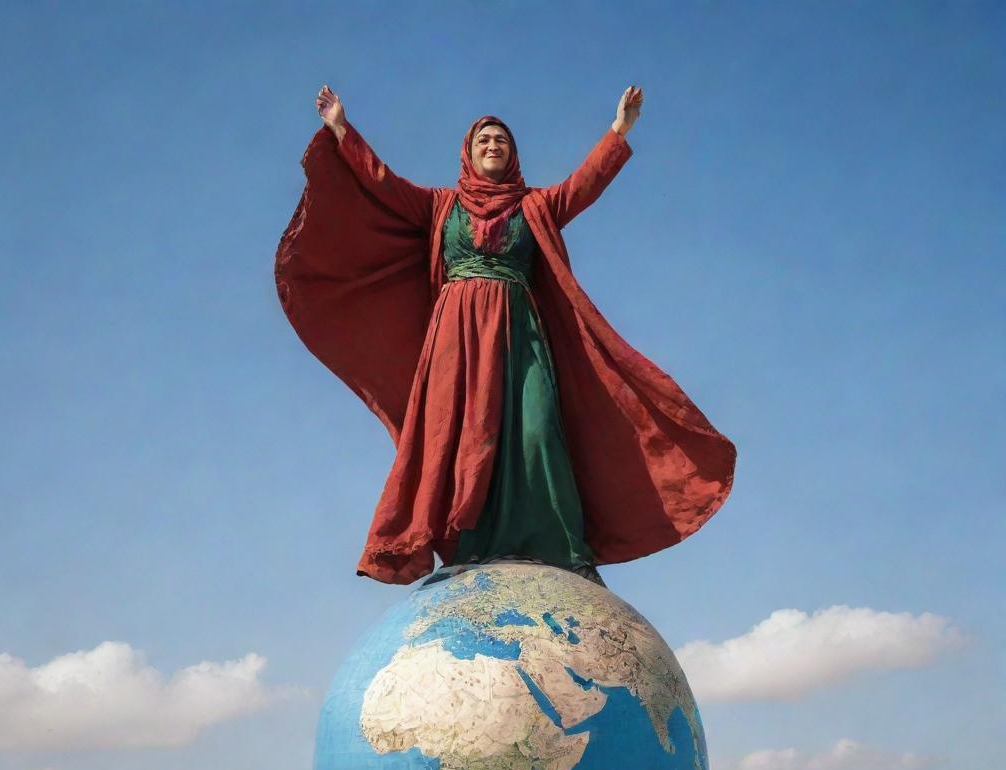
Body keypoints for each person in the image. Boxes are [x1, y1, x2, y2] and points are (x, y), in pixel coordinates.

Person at [275, 85, 736, 586]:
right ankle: (466, 545)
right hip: (457, 333)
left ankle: (562, 546)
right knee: (466, 435)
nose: (493, 146)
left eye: (501, 141)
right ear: (469, 154)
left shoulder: (534, 206)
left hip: (520, 331)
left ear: (513, 155)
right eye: (484, 141)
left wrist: (619, 128)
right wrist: (342, 127)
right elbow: (381, 182)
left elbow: (584, 184)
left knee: (536, 429)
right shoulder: (439, 206)